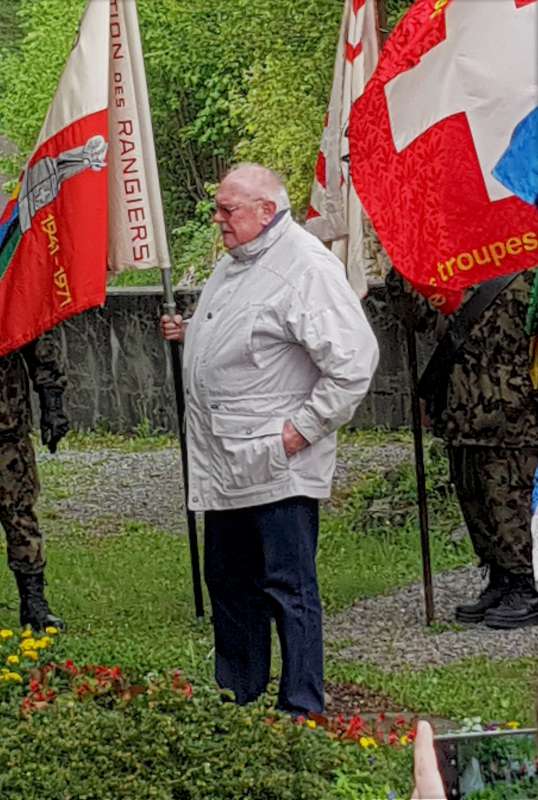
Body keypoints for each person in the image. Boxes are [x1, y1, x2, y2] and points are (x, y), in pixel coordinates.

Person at [161, 163, 379, 715]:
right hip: (227, 461)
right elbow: (255, 335)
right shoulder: (237, 261)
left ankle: (302, 706)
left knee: (288, 588)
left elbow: (354, 361)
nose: (217, 219)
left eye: (227, 209)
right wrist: (193, 333)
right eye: (217, 208)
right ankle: (239, 699)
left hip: (278, 463)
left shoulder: (306, 266)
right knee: (230, 585)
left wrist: (301, 430)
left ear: (266, 210)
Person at [388, 269, 538, 629]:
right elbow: (422, 319)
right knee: (474, 499)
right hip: (462, 411)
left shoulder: (530, 274)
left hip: (513, 413)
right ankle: (500, 576)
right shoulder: (454, 271)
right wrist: (402, 272)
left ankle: (525, 584)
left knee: (509, 500)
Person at [0, 334, 69, 631]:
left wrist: (52, 403)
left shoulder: (9, 301)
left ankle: (34, 603)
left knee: (19, 512)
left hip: (7, 426)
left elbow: (37, 337)